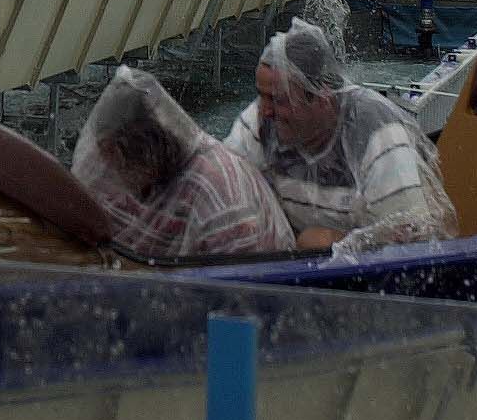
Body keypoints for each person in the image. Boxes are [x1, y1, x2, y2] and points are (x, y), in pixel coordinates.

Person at [224, 20, 455, 257]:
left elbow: (416, 236)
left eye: (278, 100)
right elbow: (223, 186)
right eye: (260, 96)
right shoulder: (261, 123)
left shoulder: (376, 133)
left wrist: (338, 242)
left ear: (320, 97)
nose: (264, 110)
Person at [73, 67, 293, 259]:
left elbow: (242, 290)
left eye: (114, 154)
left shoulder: (220, 199)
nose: (107, 165)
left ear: (146, 148)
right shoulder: (111, 168)